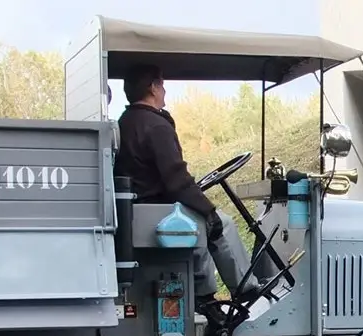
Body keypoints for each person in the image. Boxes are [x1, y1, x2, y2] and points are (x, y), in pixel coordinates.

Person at [112, 64, 266, 310]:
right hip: (153, 211)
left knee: (202, 221)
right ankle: (245, 291)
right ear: (152, 87)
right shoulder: (156, 126)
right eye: (161, 83)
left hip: (138, 208)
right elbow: (177, 180)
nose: (164, 90)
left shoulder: (127, 121)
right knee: (221, 224)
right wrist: (208, 210)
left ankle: (205, 295)